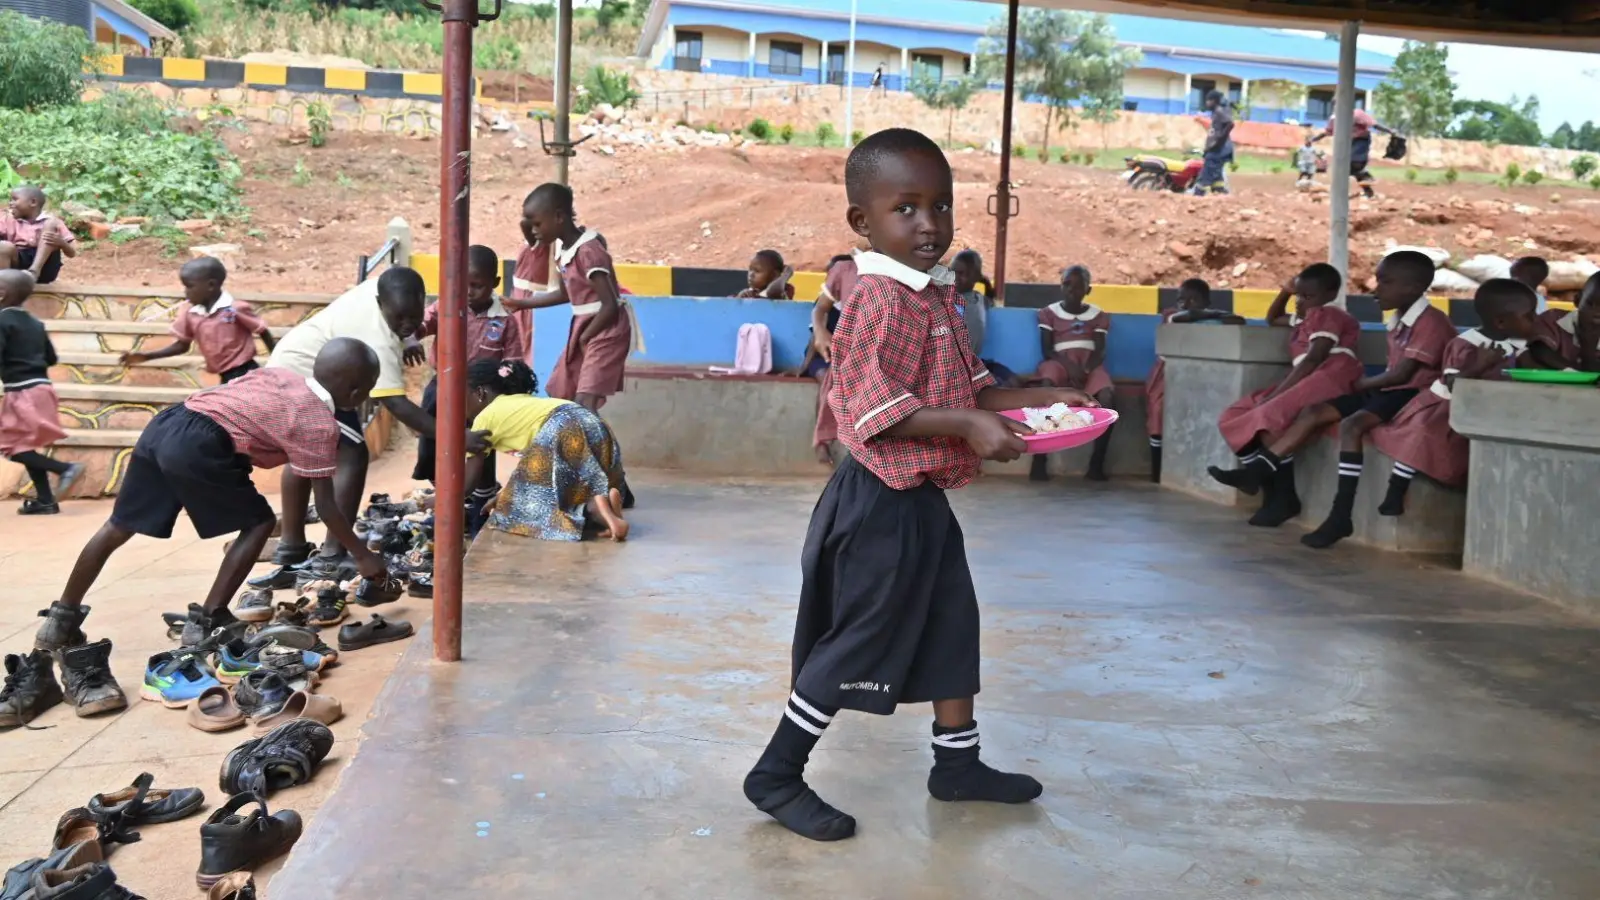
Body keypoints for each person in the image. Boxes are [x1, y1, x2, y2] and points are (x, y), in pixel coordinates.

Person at [741, 127, 1096, 843]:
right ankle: (776, 771)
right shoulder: (879, 299)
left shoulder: (936, 295)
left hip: (921, 498)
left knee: (952, 621)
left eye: (941, 206)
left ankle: (956, 764)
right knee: (858, 637)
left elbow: (967, 387)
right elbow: (870, 410)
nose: (929, 224)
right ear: (863, 223)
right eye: (906, 208)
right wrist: (967, 425)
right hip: (879, 501)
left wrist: (1032, 402)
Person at [33, 339, 388, 662]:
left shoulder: (280, 375)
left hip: (168, 424)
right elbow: (326, 506)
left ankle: (60, 621)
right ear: (356, 392)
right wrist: (362, 556)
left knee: (118, 526)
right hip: (201, 443)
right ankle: (210, 618)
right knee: (260, 523)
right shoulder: (318, 424)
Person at [250, 267, 484, 591]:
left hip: (290, 371)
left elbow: (402, 312)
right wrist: (458, 438)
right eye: (400, 318)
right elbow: (398, 406)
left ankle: (292, 552)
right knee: (352, 454)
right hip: (305, 381)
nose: (406, 325)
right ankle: (331, 556)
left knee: (303, 457)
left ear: (422, 303)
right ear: (381, 303)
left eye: (413, 317)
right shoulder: (378, 338)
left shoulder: (383, 289)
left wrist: (410, 335)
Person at [1240, 251, 1453, 533]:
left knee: (1352, 425)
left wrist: (1359, 384)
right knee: (1314, 412)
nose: (1376, 290)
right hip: (1389, 389)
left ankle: (1341, 514)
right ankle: (1261, 469)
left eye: (1385, 282)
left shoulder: (1431, 322)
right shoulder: (1401, 318)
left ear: (1412, 287)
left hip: (1414, 395)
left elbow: (1404, 375)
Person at [1347, 280, 1549, 537]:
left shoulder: (1518, 346)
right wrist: (1481, 364)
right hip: (1443, 406)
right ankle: (1395, 489)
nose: (1536, 321)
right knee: (1422, 436)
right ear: (1501, 322)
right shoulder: (1466, 344)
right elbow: (1453, 381)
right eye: (1530, 316)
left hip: (1481, 410)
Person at [1206, 264, 1362, 515]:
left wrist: (1277, 395)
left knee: (1268, 416)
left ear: (1331, 294)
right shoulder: (1305, 320)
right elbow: (1272, 318)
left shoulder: (1329, 315)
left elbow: (1314, 358)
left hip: (1330, 376)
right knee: (1233, 417)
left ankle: (1279, 496)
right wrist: (1286, 292)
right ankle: (1270, 490)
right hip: (1306, 378)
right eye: (1300, 295)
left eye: (1308, 296)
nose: (1302, 301)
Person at [408, 245, 527, 509]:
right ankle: (444, 489)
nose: (469, 292)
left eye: (477, 286)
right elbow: (421, 325)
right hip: (444, 384)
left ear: (494, 283)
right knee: (432, 434)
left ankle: (483, 493)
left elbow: (513, 361)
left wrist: (506, 389)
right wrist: (410, 339)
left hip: (481, 394)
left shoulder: (505, 319)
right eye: (463, 284)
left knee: (481, 439)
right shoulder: (446, 306)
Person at [466, 359, 628, 542]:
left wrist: (437, 500)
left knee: (518, 513)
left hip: (562, 426)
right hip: (592, 422)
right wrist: (508, 493)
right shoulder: (524, 403)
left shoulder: (484, 418)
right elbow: (533, 470)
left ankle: (593, 508)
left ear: (479, 393)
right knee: (558, 491)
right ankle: (606, 510)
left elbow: (468, 483)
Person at [503, 183, 632, 413]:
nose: (533, 231)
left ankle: (592, 448)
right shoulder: (566, 250)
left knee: (585, 401)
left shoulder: (589, 251)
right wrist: (521, 303)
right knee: (562, 392)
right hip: (585, 327)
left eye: (537, 224)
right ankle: (572, 446)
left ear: (559, 217)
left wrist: (586, 337)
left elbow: (610, 305)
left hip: (605, 329)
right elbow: (566, 294)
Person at [0, 271, 83, 515]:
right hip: (42, 388)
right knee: (24, 445)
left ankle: (65, 468)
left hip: (22, 391)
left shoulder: (1, 321)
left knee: (10, 446)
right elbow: (51, 358)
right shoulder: (35, 323)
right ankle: (46, 501)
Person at [120, 257, 276, 384]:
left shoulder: (234, 308)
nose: (186, 292)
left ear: (211, 285)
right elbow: (182, 346)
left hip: (245, 371)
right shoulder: (191, 314)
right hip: (225, 375)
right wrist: (147, 356)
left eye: (190, 287)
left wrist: (277, 363)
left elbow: (262, 330)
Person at [1147, 278, 1244, 482]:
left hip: (1201, 377)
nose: (1186, 304)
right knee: (1158, 414)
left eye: (1193, 299)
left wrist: (1209, 315)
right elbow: (1185, 317)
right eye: (1182, 300)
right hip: (1166, 374)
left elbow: (1238, 321)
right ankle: (1156, 472)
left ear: (1206, 301)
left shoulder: (1209, 318)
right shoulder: (1171, 315)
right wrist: (1211, 314)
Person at [1028, 264, 1115, 481]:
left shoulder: (1098, 315)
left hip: (1088, 364)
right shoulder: (1049, 313)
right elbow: (1047, 349)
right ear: (1061, 287)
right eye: (1067, 285)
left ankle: (1096, 464)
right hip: (1059, 362)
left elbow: (1100, 349)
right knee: (1046, 387)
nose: (1072, 290)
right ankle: (1040, 460)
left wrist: (1085, 368)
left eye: (1078, 286)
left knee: (1107, 395)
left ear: (1088, 290)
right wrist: (1070, 367)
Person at [807, 253, 858, 466]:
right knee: (826, 380)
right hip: (823, 356)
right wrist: (802, 368)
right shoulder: (826, 306)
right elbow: (814, 342)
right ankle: (822, 439)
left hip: (845, 356)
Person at [950, 249, 1016, 387]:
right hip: (955, 364)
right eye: (952, 272)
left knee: (1012, 380)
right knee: (997, 386)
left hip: (975, 360)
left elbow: (990, 304)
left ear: (976, 277)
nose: (955, 277)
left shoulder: (981, 299)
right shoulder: (949, 300)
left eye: (961, 273)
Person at [1311, 106, 1396, 199]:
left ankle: (1366, 177)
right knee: (1347, 169)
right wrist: (1314, 139)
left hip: (1361, 140)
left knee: (1353, 162)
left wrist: (1389, 131)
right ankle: (1367, 191)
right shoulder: (1334, 119)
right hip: (1347, 142)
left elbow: (1374, 125)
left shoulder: (1357, 114)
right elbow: (1327, 132)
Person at [0, 186, 77, 285]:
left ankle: (34, 272)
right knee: (4, 246)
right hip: (17, 266)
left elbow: (72, 253)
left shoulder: (52, 222)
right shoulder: (7, 220)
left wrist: (61, 243)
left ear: (33, 202)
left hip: (45, 269)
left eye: (15, 199)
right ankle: (3, 284)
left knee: (50, 225)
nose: (10, 204)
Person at [1538, 272, 1600, 371]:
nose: (1598, 312)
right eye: (1591, 304)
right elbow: (1539, 351)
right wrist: (1575, 371)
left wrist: (1588, 349)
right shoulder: (1553, 319)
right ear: (1577, 300)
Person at [1192, 90, 1235, 196]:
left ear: (1214, 101)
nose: (1207, 103)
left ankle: (1198, 193)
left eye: (1208, 101)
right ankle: (1220, 191)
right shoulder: (1218, 112)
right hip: (1221, 149)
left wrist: (1219, 141)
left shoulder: (1219, 111)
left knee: (1207, 171)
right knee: (1216, 173)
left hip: (1219, 149)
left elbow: (1230, 123)